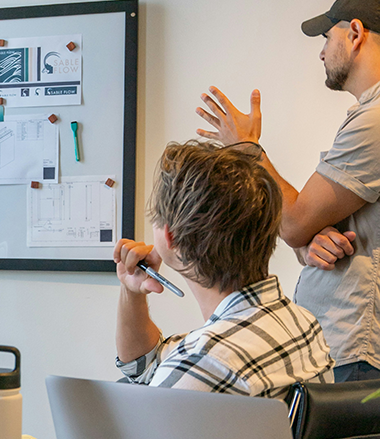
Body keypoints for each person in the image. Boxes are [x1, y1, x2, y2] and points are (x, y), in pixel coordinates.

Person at [195, 0, 380, 382]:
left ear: (356, 34)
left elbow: (293, 221)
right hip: (344, 345)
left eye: (328, 38)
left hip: (359, 350)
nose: (322, 51)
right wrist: (309, 241)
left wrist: (246, 147)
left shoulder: (375, 121)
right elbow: (305, 226)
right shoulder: (367, 116)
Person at [114, 140, 333, 398]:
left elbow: (174, 374)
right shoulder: (302, 323)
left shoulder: (202, 364)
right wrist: (133, 292)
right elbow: (145, 367)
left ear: (170, 237)